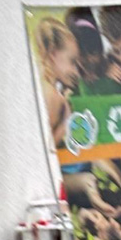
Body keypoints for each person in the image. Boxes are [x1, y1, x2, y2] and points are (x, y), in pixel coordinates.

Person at [34, 17, 79, 147]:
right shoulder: (54, 97)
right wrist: (66, 121)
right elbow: (46, 147)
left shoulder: (44, 87)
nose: (76, 72)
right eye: (72, 62)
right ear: (53, 55)